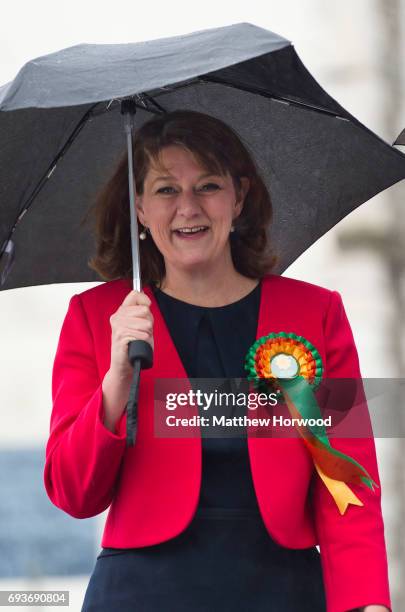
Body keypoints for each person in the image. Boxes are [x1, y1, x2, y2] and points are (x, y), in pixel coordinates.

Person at [43, 110, 391, 612]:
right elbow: (73, 493)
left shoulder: (315, 313)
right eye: (165, 189)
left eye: (207, 185)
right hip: (142, 595)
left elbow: (348, 478)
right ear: (139, 207)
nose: (188, 207)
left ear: (240, 196)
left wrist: (367, 603)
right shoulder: (96, 318)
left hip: (285, 592)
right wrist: (115, 384)